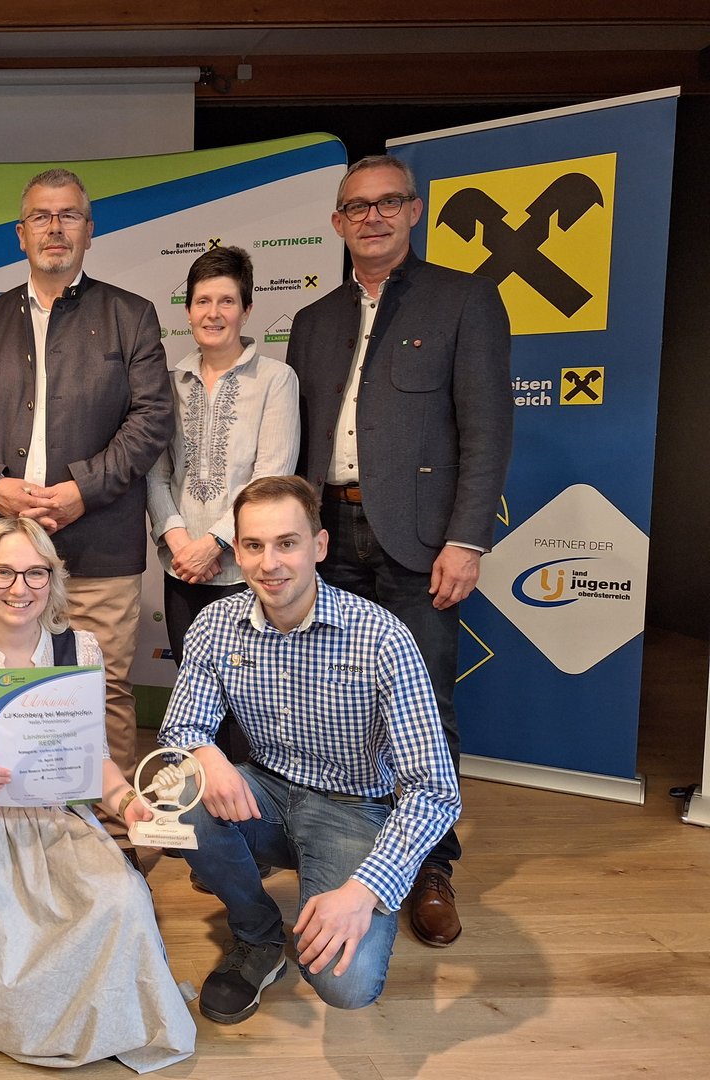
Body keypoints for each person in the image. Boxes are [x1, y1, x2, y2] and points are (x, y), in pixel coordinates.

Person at [286, 154, 512, 947]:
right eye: (357, 206)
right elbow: (298, 441)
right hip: (329, 537)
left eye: (388, 203)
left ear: (414, 211)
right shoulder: (313, 321)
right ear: (337, 222)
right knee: (339, 703)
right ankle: (352, 846)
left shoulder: (465, 299)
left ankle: (431, 868)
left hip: (420, 543)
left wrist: (466, 539)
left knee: (424, 708)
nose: (373, 217)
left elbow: (487, 429)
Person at [0, 517, 195, 1072]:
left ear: (53, 579)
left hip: (59, 822)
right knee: (1, 945)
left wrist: (128, 804)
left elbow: (95, 759)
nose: (19, 587)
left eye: (35, 573)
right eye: (3, 572)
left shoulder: (80, 649)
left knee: (122, 897)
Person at [157, 476, 460, 1025]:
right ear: (237, 551)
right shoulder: (215, 625)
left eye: (287, 543)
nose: (269, 563)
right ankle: (258, 935)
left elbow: (435, 791)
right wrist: (204, 753)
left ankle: (342, 885)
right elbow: (181, 726)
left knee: (347, 987)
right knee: (179, 795)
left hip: (353, 809)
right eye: (254, 545)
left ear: (319, 546)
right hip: (265, 792)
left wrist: (365, 889)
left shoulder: (381, 637)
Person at [0, 168, 173, 780]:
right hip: (2, 552)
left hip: (99, 545)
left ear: (89, 231)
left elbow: (152, 419)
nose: (55, 228)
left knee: (103, 688)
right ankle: (11, 818)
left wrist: (82, 490)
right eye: (41, 217)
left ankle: (112, 824)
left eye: (68, 215)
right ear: (20, 234)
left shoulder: (131, 315)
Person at [147, 245, 299, 764]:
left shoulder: (276, 378)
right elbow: (155, 473)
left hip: (247, 569)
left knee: (249, 700)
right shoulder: (168, 384)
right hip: (181, 569)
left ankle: (253, 801)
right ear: (188, 310)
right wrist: (178, 543)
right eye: (202, 301)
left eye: (227, 301)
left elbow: (270, 477)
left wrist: (213, 543)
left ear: (247, 310)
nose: (214, 313)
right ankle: (201, 796)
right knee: (194, 692)